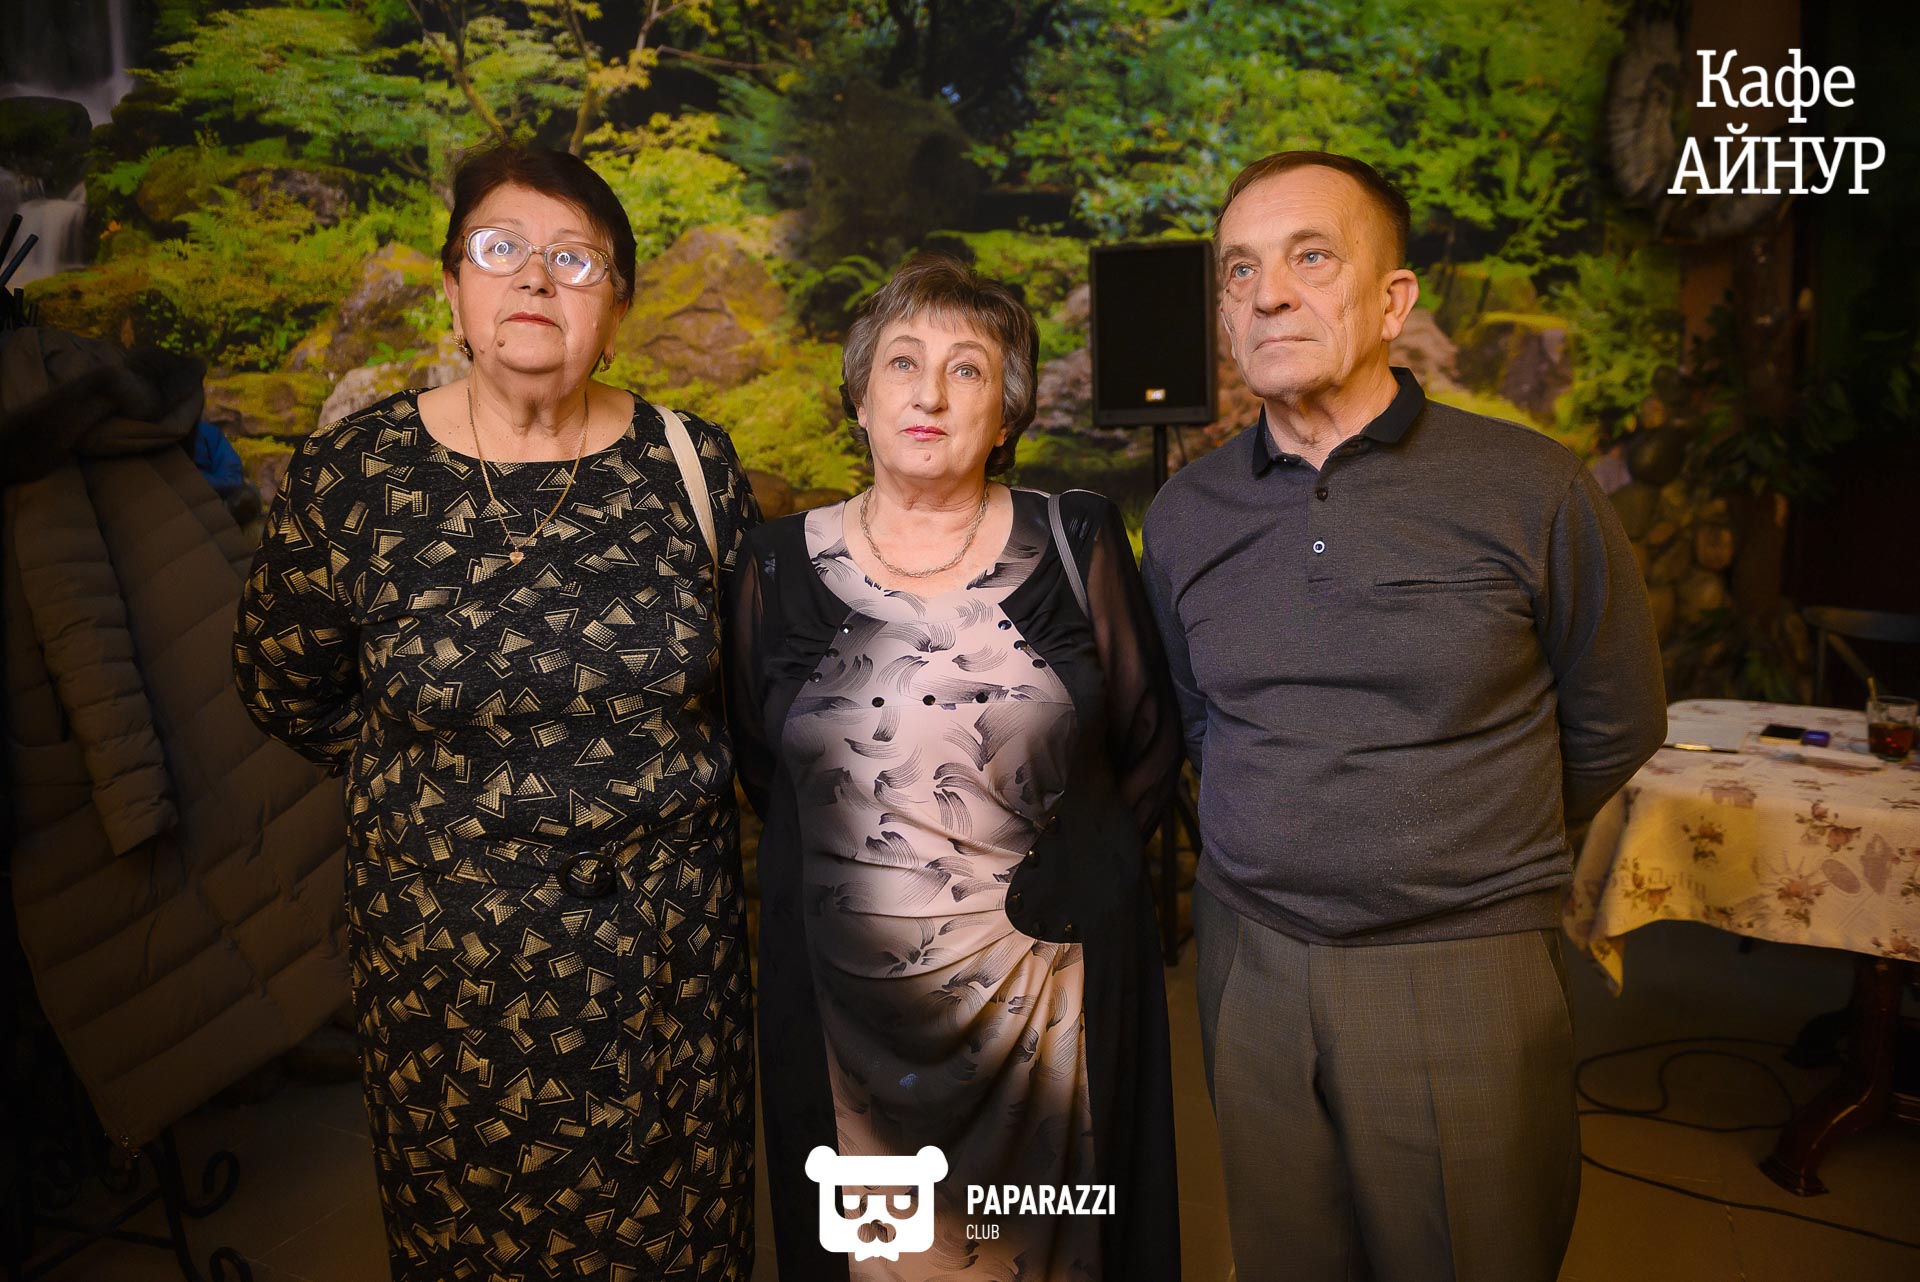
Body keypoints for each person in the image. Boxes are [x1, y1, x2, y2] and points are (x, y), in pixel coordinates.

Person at [233, 144, 760, 1281]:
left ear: (616, 309)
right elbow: (284, 683)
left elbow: (751, 697)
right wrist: (444, 811)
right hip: (449, 987)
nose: (534, 276)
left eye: (575, 258)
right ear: (453, 290)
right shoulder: (354, 475)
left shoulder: (693, 467)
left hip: (663, 980)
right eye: (500, 247)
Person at [1141, 151, 1666, 1282]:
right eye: (1240, 270)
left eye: (1310, 257)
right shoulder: (1184, 515)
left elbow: (1616, 718)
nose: (1268, 294)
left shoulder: (1531, 487)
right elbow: (1198, 720)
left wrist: (1458, 843)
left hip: (1462, 962)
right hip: (1251, 961)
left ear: (1393, 301)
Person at [728, 253, 1182, 1281]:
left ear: (1007, 411)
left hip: (1044, 1001)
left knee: (1054, 1249)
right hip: (849, 1011)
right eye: (902, 362)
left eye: (967, 369)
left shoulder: (1075, 540)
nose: (929, 394)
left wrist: (1050, 889)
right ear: (860, 397)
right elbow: (768, 774)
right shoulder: (774, 565)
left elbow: (1148, 745)